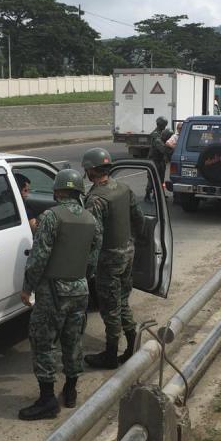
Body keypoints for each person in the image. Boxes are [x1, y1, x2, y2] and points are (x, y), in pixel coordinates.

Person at [18, 169, 100, 421]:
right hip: (79, 289)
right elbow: (93, 259)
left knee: (43, 342)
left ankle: (47, 401)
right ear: (78, 193)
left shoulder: (51, 217)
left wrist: (28, 287)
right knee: (72, 339)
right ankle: (71, 391)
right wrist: (80, 279)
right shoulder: (90, 219)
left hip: (53, 291)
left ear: (57, 192)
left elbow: (38, 257)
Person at [82, 147, 145, 369]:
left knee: (110, 307)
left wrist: (88, 266)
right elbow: (139, 219)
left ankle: (110, 355)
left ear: (91, 171)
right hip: (127, 253)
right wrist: (133, 242)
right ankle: (132, 345)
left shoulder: (95, 199)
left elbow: (95, 236)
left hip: (108, 260)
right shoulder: (124, 189)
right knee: (122, 301)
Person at [144, 116, 169, 202]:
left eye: (165, 125)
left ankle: (158, 194)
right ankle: (147, 195)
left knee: (161, 178)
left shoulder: (162, 133)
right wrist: (168, 148)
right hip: (154, 160)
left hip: (161, 159)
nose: (165, 127)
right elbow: (161, 147)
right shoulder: (155, 134)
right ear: (160, 124)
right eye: (164, 125)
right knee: (152, 178)